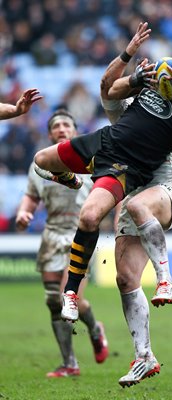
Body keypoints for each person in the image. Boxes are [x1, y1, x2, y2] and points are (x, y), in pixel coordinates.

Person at [33, 23, 172, 327]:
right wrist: (135, 70)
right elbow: (109, 88)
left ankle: (71, 294)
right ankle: (71, 179)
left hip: (127, 166)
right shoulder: (163, 74)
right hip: (104, 142)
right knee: (41, 160)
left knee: (88, 218)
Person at [99, 22, 172, 387]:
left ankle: (166, 279)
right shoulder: (128, 113)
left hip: (166, 188)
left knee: (139, 207)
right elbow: (107, 89)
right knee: (124, 278)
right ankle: (144, 356)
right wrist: (129, 55)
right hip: (134, 192)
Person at [15, 109, 109, 378]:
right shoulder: (39, 165)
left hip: (79, 234)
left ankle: (94, 329)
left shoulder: (90, 162)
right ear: (49, 133)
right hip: (51, 235)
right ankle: (70, 363)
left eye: (66, 124)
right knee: (52, 301)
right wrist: (25, 212)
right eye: (56, 126)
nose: (61, 129)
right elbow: (31, 196)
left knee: (72, 299)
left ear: (75, 131)